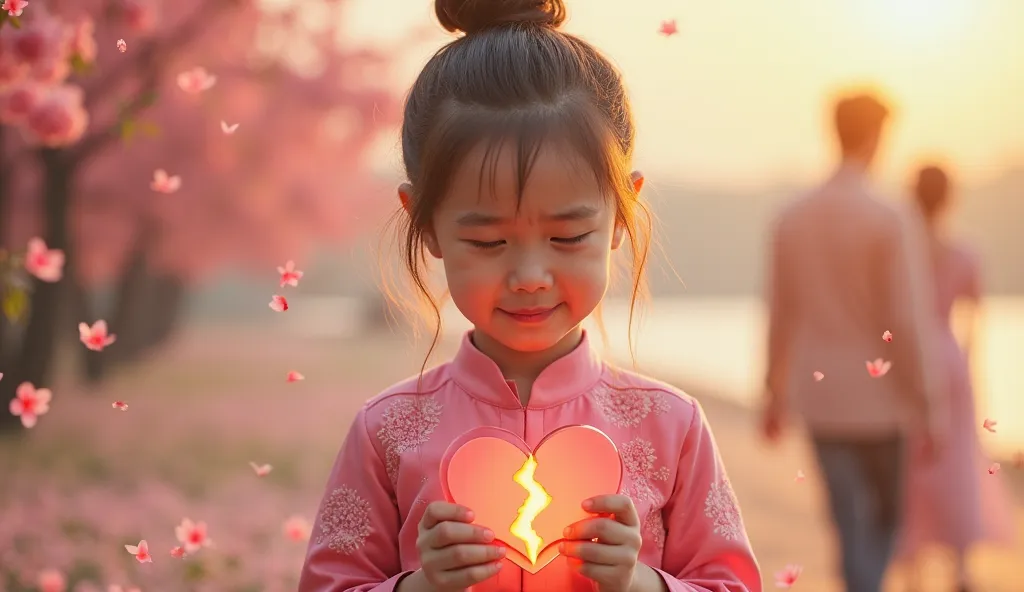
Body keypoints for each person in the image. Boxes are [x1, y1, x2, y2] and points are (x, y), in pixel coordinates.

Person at [298, 0, 762, 590]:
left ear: (622, 212)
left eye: (567, 236)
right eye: (489, 241)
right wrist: (419, 585)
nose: (530, 276)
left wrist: (642, 582)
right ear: (426, 224)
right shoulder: (387, 431)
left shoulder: (671, 426)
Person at [760, 91, 948, 592]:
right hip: (883, 400)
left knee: (848, 523)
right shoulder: (890, 216)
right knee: (885, 521)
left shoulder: (792, 217)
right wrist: (928, 401)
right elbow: (905, 321)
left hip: (821, 395)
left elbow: (780, 313)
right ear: (875, 136)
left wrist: (772, 392)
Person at [895, 165, 1015, 592]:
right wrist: (968, 365)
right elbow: (975, 318)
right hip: (951, 356)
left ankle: (913, 568)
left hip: (911, 356)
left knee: (911, 463)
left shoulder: (903, 249)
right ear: (949, 198)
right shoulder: (965, 250)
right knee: (958, 459)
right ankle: (961, 566)